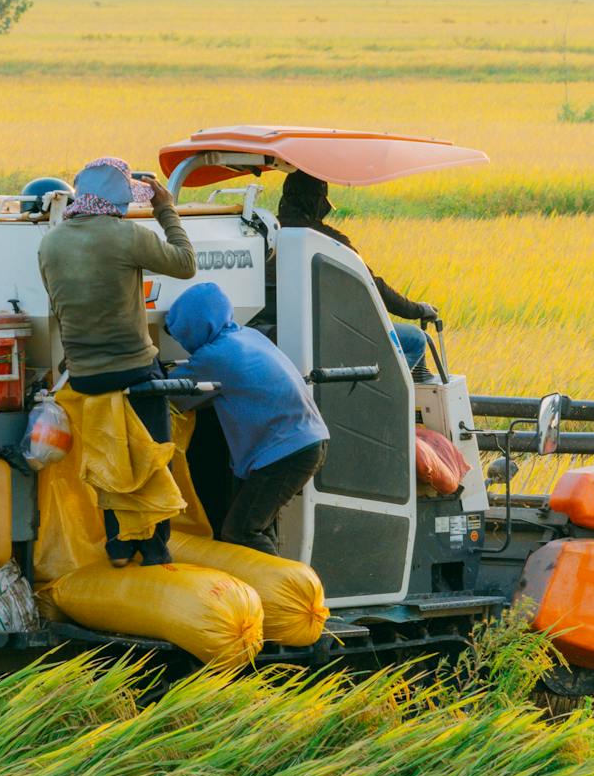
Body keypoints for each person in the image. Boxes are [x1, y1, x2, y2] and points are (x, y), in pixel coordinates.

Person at [38, 155, 196, 565]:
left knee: (110, 454)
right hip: (135, 368)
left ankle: (119, 547)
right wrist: (165, 210)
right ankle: (156, 548)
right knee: (153, 454)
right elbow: (185, 264)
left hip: (86, 376)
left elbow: (57, 307)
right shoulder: (126, 235)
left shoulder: (51, 242)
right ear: (118, 200)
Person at [164, 282, 330, 556]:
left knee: (241, 531)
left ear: (192, 326)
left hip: (284, 452)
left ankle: (286, 594)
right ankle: (272, 592)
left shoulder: (214, 356)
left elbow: (173, 396)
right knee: (259, 528)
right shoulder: (248, 335)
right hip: (307, 440)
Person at [272, 169, 439, 373]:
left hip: (278, 334)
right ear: (316, 202)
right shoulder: (326, 240)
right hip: (326, 336)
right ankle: (378, 400)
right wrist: (416, 310)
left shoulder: (267, 234)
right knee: (414, 340)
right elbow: (372, 285)